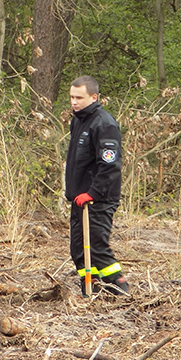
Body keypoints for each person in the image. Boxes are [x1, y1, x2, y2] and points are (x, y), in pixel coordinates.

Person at [65, 75, 128, 296]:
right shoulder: (78, 121)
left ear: (93, 97)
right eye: (72, 97)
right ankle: (92, 290)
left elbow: (110, 166)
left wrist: (92, 193)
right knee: (78, 251)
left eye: (79, 97)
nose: (74, 102)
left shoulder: (105, 124)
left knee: (98, 249)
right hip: (79, 199)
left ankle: (120, 290)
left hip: (98, 200)